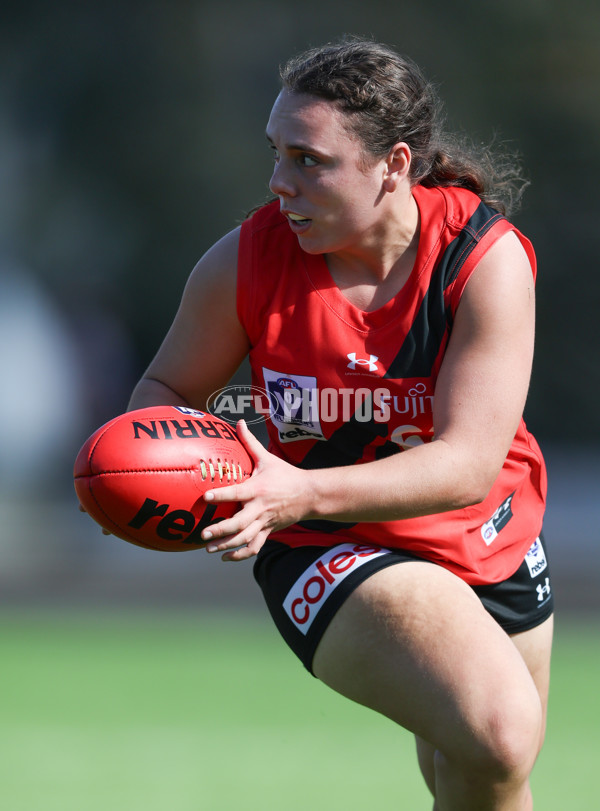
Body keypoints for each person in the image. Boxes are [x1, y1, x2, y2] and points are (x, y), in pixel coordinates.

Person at [127, 38, 553, 810]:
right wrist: (169, 474)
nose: (277, 182)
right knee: (499, 728)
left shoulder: (481, 260)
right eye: (275, 152)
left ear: (393, 164)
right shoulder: (245, 262)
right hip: (331, 542)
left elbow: (465, 465)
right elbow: (163, 392)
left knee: (482, 775)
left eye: (307, 160)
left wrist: (297, 488)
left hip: (486, 529)